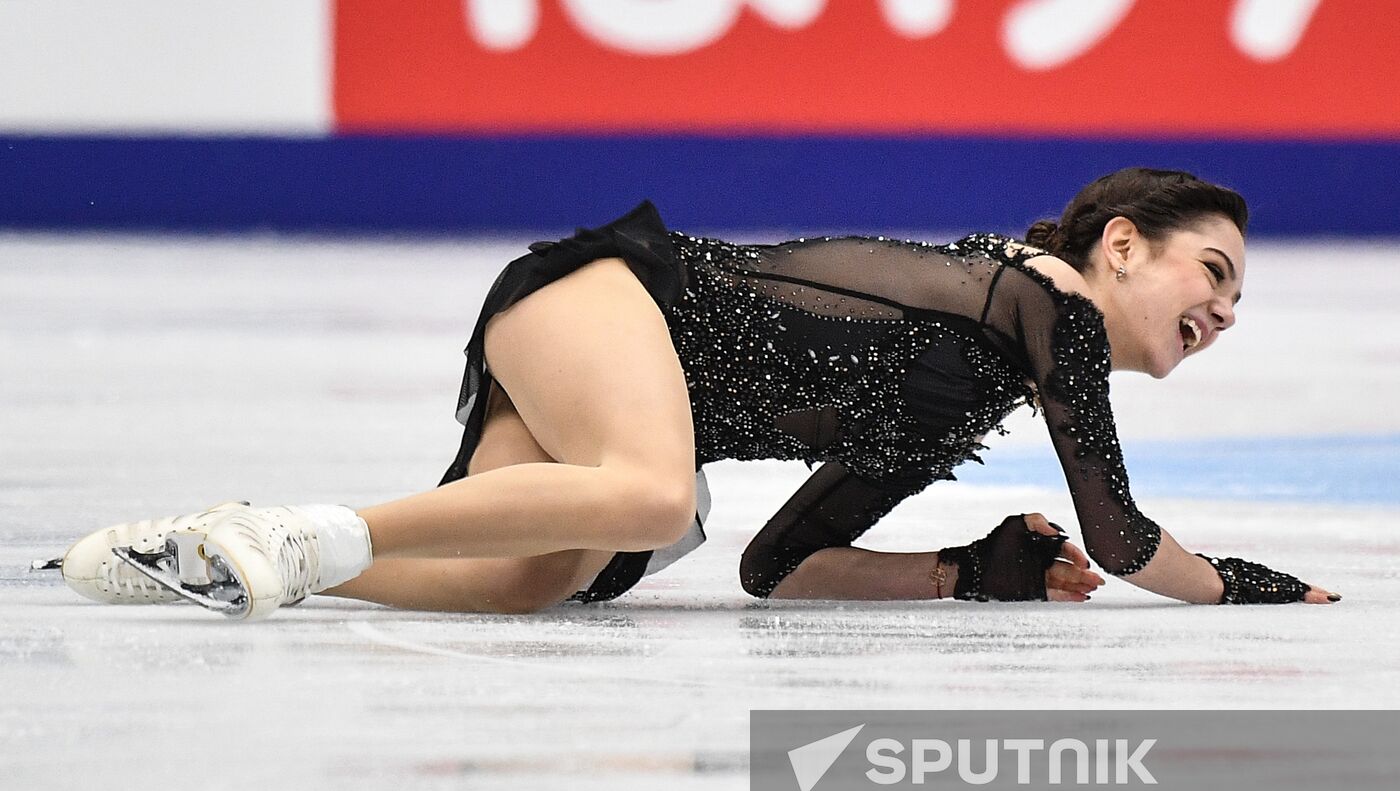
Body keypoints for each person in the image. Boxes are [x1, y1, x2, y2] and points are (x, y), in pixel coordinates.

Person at [50, 167, 1340, 620]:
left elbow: (778, 566)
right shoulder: (1037, 303)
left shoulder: (962, 392)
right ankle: (302, 535)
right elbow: (1118, 539)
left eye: (1239, 304)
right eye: (1210, 274)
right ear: (1120, 247)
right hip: (615, 301)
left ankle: (215, 543)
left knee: (527, 581)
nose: (1222, 313)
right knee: (657, 490)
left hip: (620, 392)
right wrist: (1249, 585)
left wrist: (960, 570)